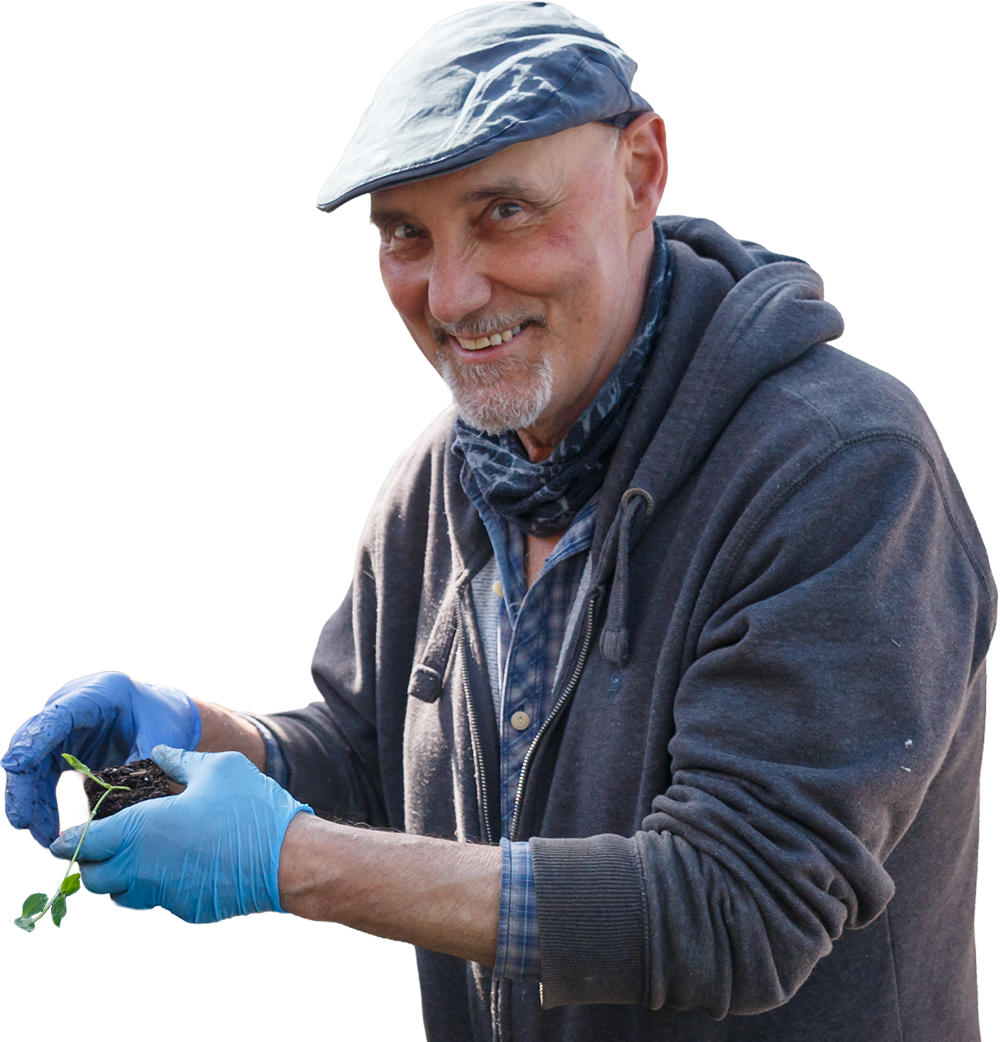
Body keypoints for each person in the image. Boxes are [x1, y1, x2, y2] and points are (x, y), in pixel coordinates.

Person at [3, 4, 994, 1040]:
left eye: (506, 212)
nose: (451, 293)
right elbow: (366, 763)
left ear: (642, 172)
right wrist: (194, 743)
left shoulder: (840, 469)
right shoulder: (443, 477)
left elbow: (734, 906)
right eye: (406, 233)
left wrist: (287, 859)